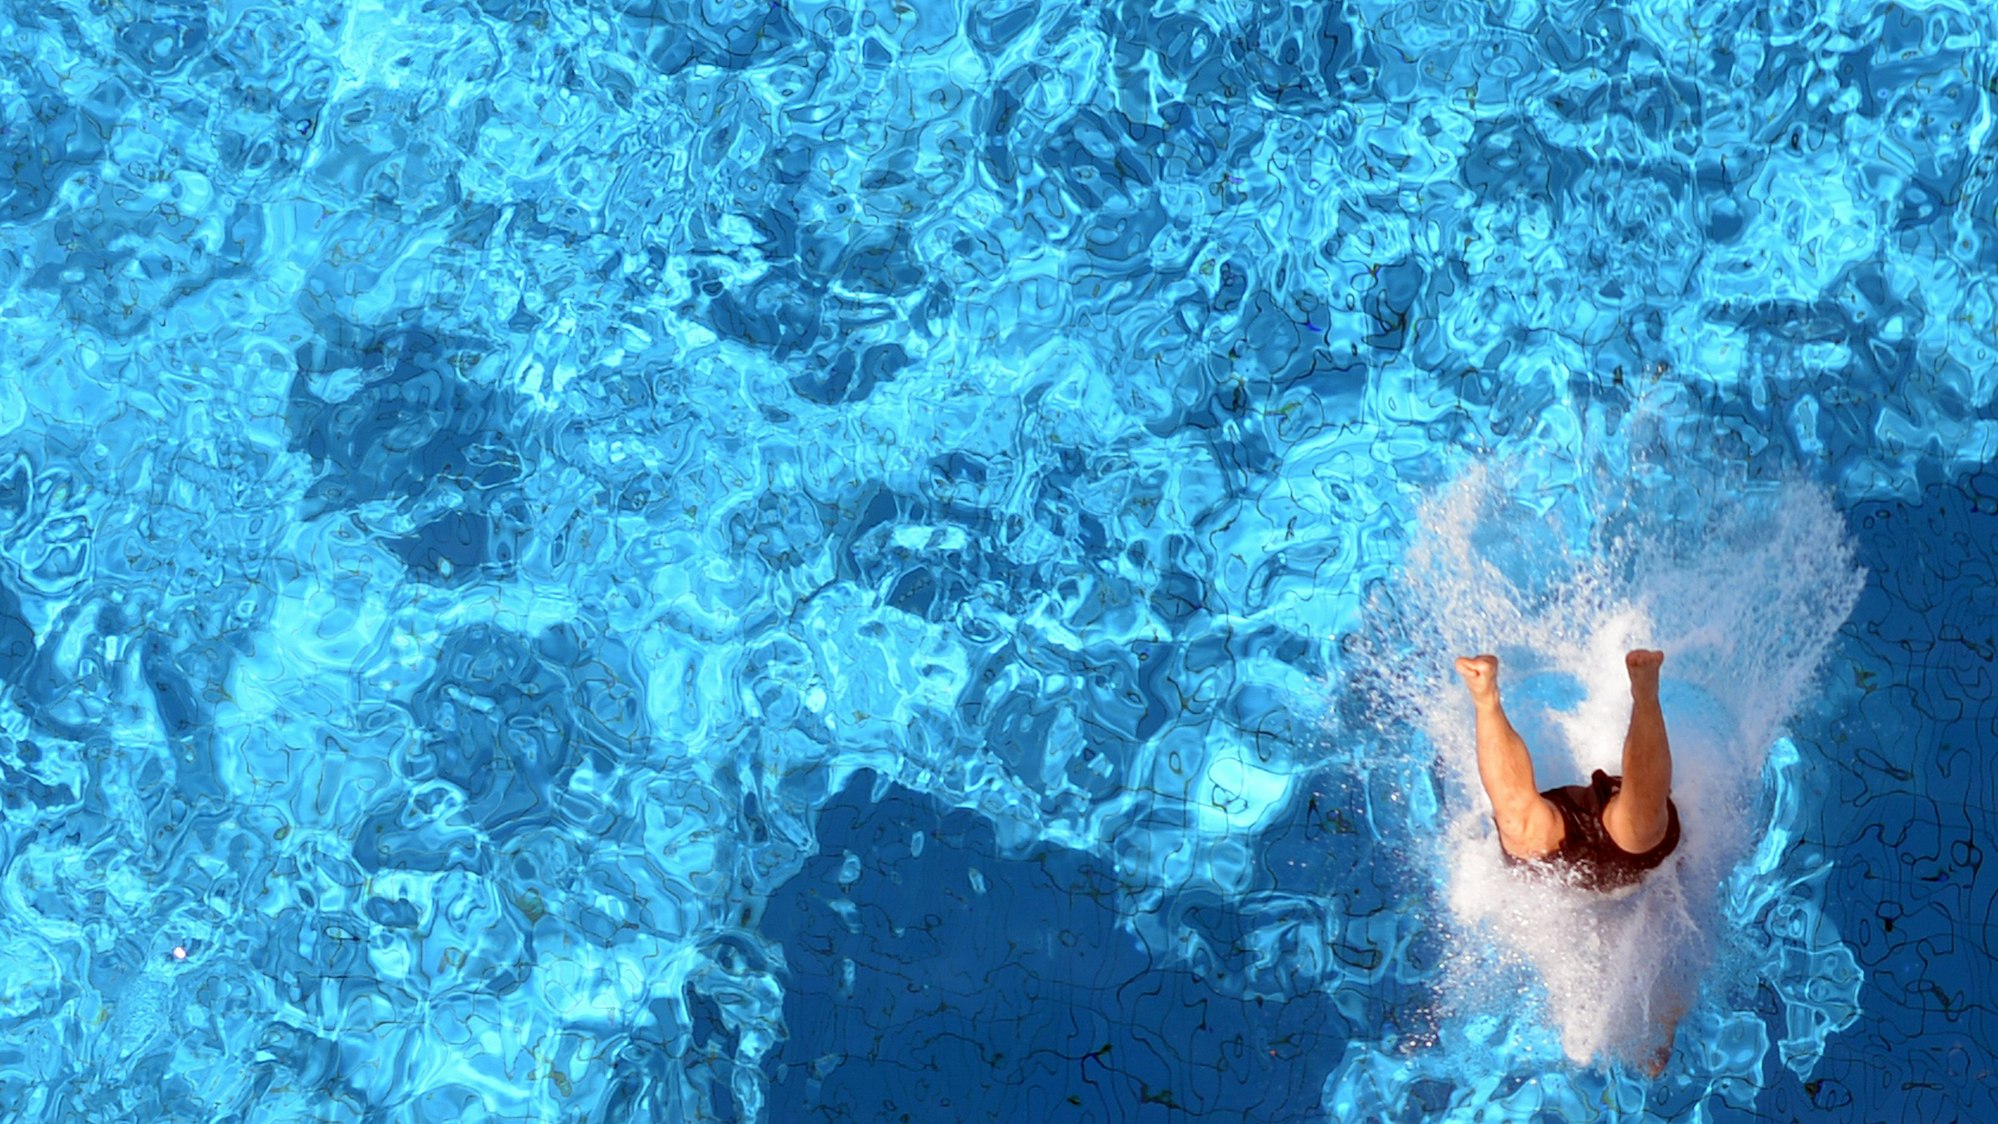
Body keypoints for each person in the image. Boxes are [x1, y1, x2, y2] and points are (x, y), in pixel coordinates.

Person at [1452, 650, 1680, 891]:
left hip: (1588, 839)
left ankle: (1645, 696)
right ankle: (1485, 699)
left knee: (1640, 826)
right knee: (1638, 827)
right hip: (1573, 843)